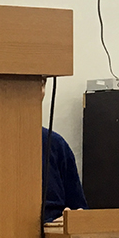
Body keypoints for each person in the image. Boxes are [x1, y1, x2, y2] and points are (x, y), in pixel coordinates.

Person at [41, 78, 88, 222]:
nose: (39, 90)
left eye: (42, 82)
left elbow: (79, 208)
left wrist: (74, 219)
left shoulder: (55, 144)